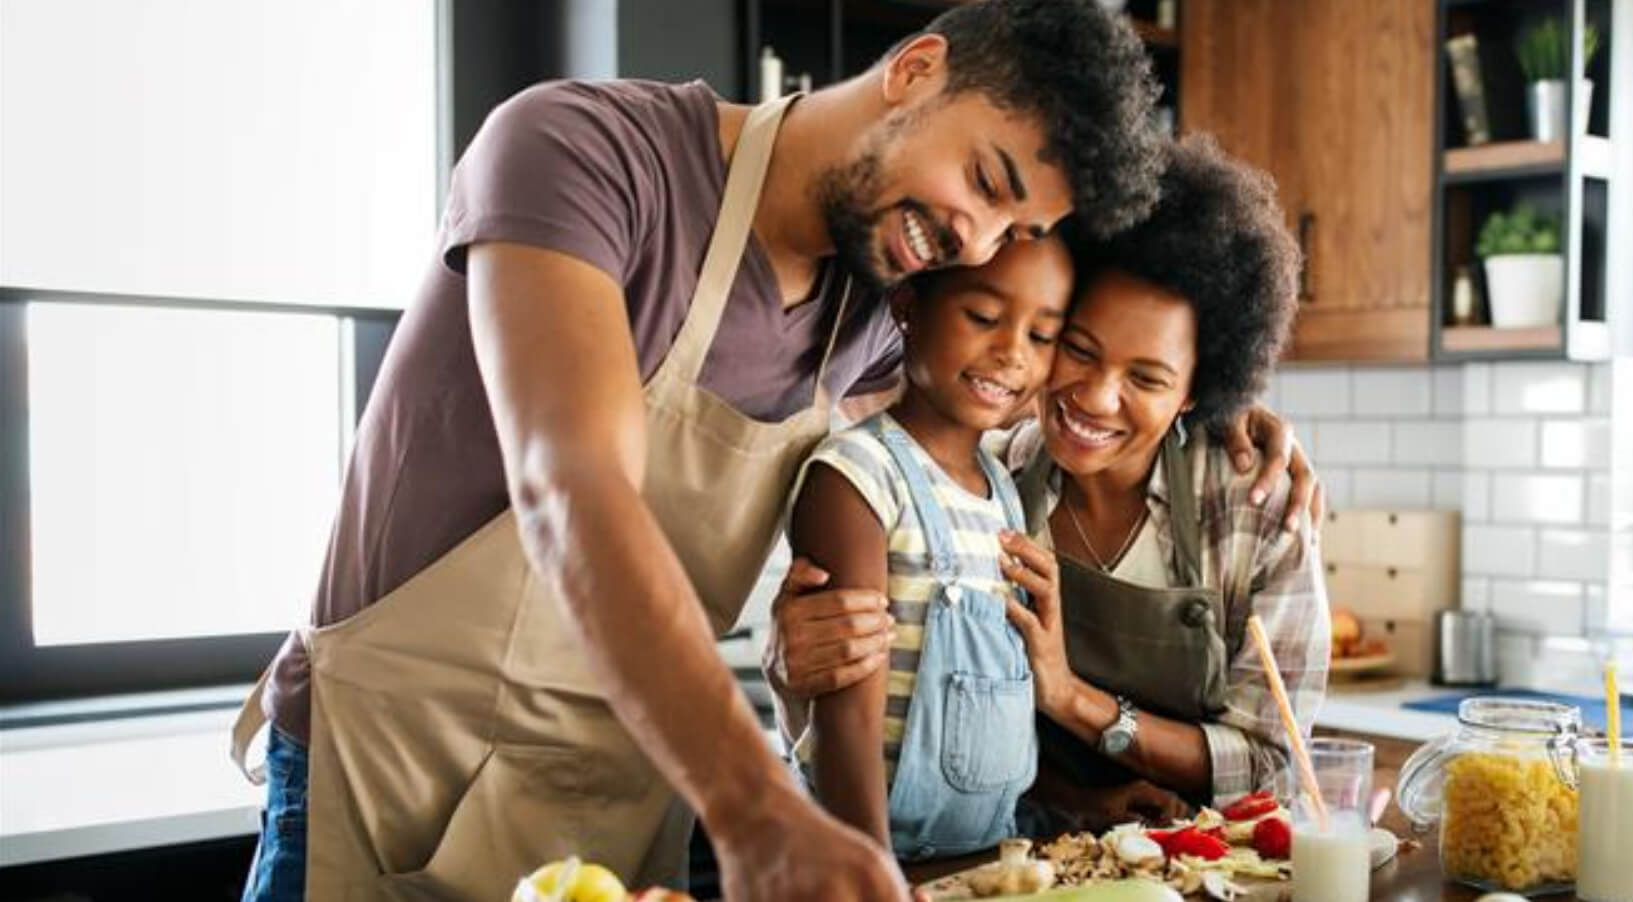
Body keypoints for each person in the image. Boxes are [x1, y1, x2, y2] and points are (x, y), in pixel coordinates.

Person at [228, 3, 1169, 900]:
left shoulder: (872, 313)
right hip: (398, 778)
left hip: (619, 802)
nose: (974, 239)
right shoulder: (582, 154)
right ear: (916, 71)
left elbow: (1013, 422)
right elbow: (574, 487)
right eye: (986, 182)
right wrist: (753, 809)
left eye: (1016, 231)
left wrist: (1219, 440)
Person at [771, 136, 1332, 835]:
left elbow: (1274, 759)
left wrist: (1072, 698)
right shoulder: (992, 473)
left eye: (1148, 379)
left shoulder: (1257, 510)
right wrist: (795, 656)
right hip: (1025, 858)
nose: (1096, 398)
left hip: (1207, 864)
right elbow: (886, 708)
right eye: (1077, 347)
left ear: (1199, 392)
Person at [788, 237, 1071, 860]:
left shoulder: (1003, 492)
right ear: (907, 305)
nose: (1011, 354)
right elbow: (849, 717)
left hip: (984, 860)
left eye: (1041, 335)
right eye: (984, 318)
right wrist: (871, 874)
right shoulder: (856, 477)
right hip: (862, 859)